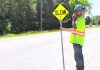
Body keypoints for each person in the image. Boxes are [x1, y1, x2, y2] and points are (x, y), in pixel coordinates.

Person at [63, 5, 86, 70]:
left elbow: (74, 28)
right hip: (76, 41)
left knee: (77, 56)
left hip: (78, 41)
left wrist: (73, 19)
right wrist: (64, 29)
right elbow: (74, 29)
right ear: (76, 12)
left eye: (81, 11)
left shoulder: (81, 20)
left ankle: (79, 68)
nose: (81, 12)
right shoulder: (78, 20)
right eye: (79, 11)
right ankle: (81, 67)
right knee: (79, 55)